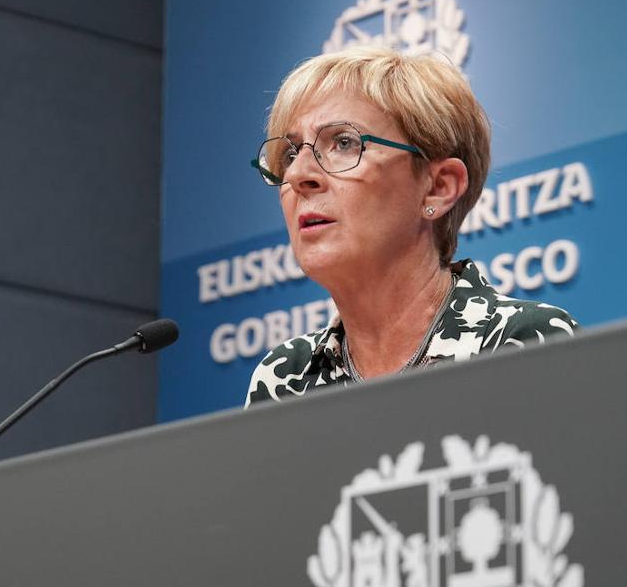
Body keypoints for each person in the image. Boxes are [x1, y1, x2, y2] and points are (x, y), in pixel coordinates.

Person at [245, 46, 579, 405]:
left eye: (344, 143)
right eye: (292, 154)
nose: (297, 175)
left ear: (438, 187)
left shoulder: (521, 344)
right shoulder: (285, 379)